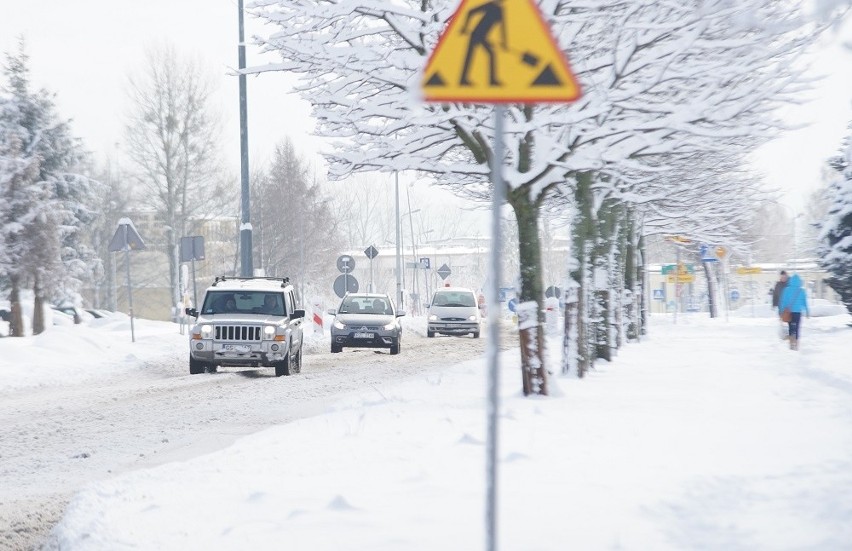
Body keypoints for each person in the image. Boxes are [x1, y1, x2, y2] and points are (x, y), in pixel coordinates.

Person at [777, 273, 810, 350]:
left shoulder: (786, 290)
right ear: (799, 281)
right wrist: (807, 311)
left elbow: (782, 301)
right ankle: (796, 344)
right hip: (797, 312)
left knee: (791, 327)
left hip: (789, 312)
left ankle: (792, 343)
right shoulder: (801, 291)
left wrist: (781, 311)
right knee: (797, 327)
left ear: (791, 281)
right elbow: (804, 302)